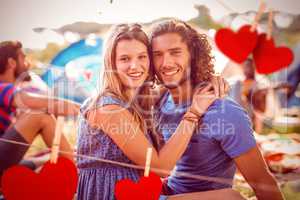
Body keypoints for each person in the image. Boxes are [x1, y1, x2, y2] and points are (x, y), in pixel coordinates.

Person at [76, 24, 242, 200]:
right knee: (230, 198)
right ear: (111, 63)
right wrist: (193, 113)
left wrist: (208, 79)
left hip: (136, 191)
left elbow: (172, 86)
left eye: (142, 57)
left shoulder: (137, 100)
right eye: (125, 59)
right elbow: (160, 168)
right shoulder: (110, 109)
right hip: (113, 195)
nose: (135, 66)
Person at [149, 19, 284, 200]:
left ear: (194, 56)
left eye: (175, 52)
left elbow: (263, 182)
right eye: (157, 54)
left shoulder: (225, 112)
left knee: (232, 198)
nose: (165, 63)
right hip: (168, 192)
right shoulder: (161, 101)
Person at [0, 41, 80, 178]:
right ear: (11, 63)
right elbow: (45, 103)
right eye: (23, 58)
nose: (28, 63)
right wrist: (86, 109)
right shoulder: (2, 88)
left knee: (48, 156)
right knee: (39, 114)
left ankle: (72, 167)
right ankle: (77, 178)